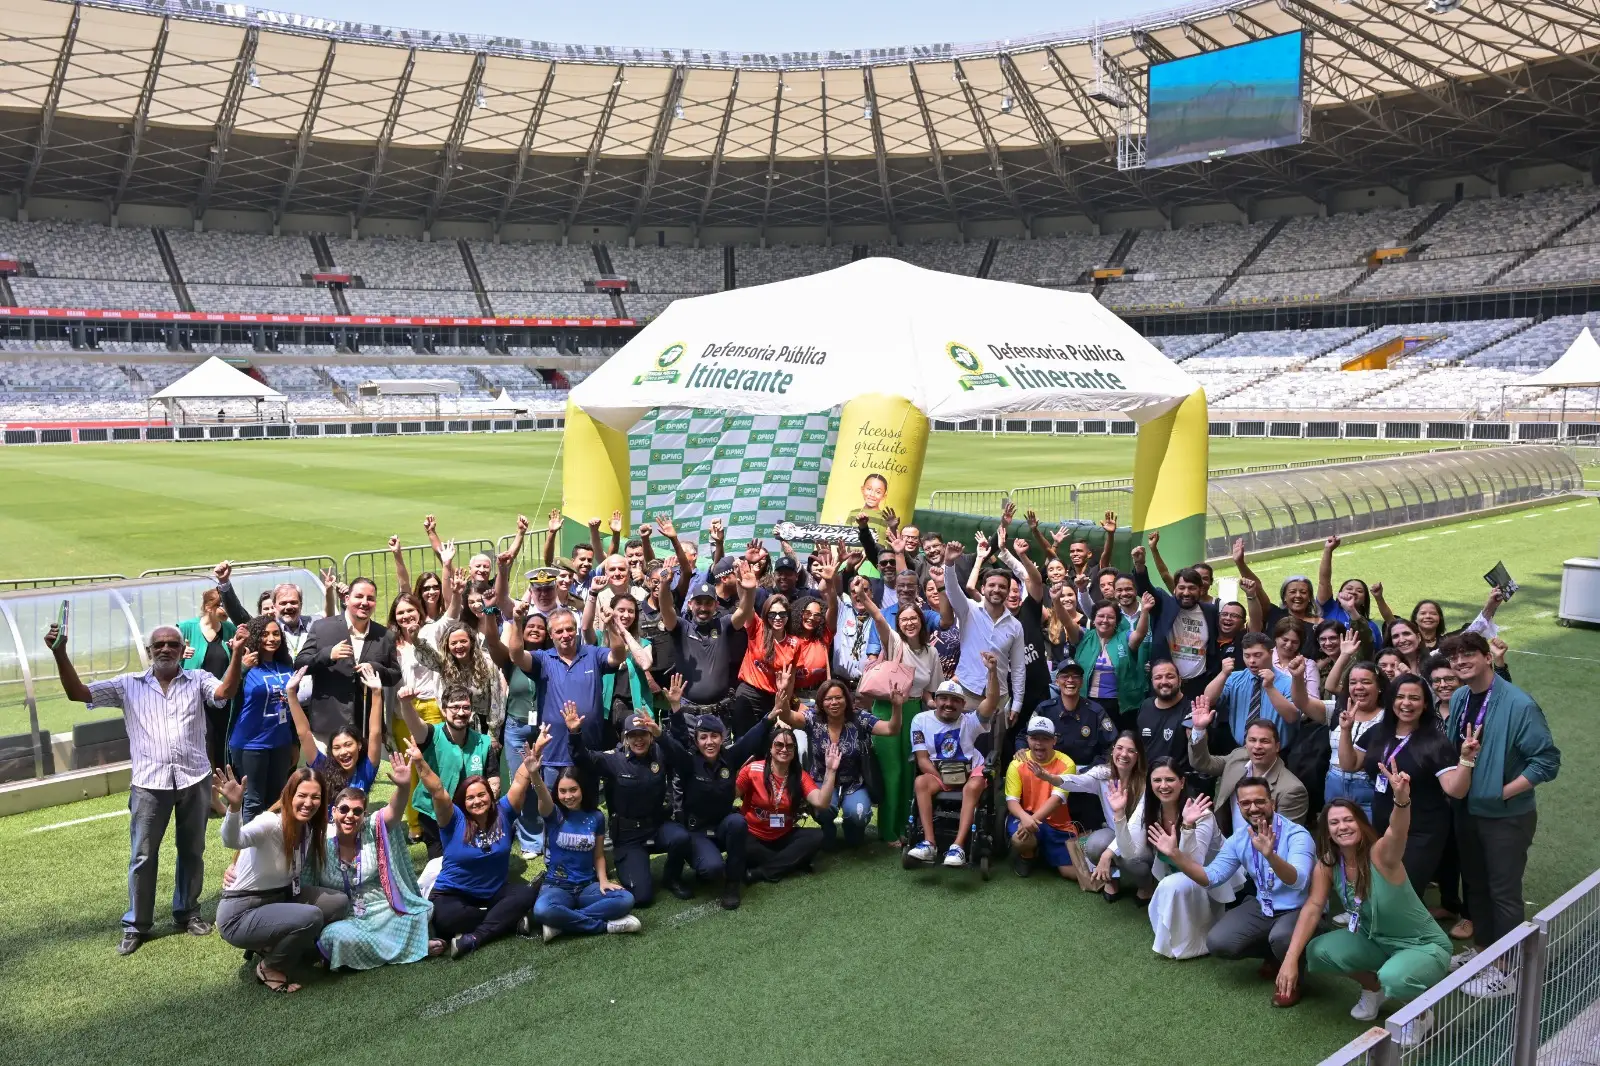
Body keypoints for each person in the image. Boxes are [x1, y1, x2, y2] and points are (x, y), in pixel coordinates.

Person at [45, 620, 242, 955]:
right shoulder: (128, 685)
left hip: (194, 780)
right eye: (159, 645)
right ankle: (136, 924)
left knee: (192, 851)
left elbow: (224, 693)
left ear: (182, 651)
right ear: (150, 652)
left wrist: (236, 655)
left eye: (172, 644)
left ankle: (187, 912)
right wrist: (60, 653)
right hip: (149, 786)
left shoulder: (198, 680)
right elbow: (78, 693)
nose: (165, 649)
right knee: (142, 856)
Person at [1276, 772, 1452, 1046]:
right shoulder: (1327, 864)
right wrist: (1289, 959)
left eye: (1348, 820)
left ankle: (1421, 1016)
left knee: (1395, 976)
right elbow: (1312, 907)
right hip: (1376, 940)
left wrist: (1401, 800)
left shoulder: (1381, 854)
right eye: (1334, 822)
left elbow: (1398, 831)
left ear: (1361, 823)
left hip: (1422, 945)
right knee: (1319, 951)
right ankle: (1373, 990)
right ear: (1327, 830)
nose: (1342, 827)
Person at [1439, 631, 1560, 999]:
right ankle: (1485, 952)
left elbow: (1547, 761)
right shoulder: (1460, 696)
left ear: (1486, 657)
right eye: (1454, 657)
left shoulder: (1520, 705)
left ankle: (1509, 969)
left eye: (1468, 655)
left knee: (1503, 892)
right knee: (1475, 885)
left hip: (1505, 816)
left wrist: (1502, 793)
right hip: (1466, 810)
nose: (1460, 662)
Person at [1152, 778, 1318, 1005]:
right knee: (1219, 942)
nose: (1253, 808)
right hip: (1264, 905)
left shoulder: (1297, 835)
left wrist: (1271, 856)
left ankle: (1293, 978)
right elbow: (1211, 878)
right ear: (1239, 807)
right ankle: (1273, 954)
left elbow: (1298, 881)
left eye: (1260, 801)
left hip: (1299, 909)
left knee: (1281, 938)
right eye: (1246, 803)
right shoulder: (1240, 838)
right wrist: (1176, 856)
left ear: (1273, 803)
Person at [1341, 673, 1471, 931]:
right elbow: (1349, 763)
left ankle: (1416, 943)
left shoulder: (1434, 742)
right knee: (1380, 882)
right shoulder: (1379, 733)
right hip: (1383, 827)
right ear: (1391, 701)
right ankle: (1382, 931)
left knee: (1404, 888)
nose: (1406, 703)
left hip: (1421, 831)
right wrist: (1346, 730)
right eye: (1400, 697)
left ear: (1425, 704)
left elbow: (1455, 790)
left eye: (1414, 698)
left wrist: (1466, 759)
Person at [215, 765, 350, 993]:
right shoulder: (270, 822)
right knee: (311, 916)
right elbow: (233, 840)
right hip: (240, 914)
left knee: (338, 902)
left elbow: (348, 827)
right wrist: (235, 807)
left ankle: (275, 945)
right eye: (302, 795)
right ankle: (269, 966)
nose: (308, 803)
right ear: (289, 795)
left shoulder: (308, 828)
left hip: (279, 899)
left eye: (315, 797)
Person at [413, 731, 544, 959]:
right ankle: (508, 921)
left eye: (482, 795)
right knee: (445, 919)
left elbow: (521, 781)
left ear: (490, 796)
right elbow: (437, 790)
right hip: (454, 895)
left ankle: (474, 938)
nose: (477, 801)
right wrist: (420, 762)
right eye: (470, 798)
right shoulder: (452, 820)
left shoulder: (503, 811)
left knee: (525, 894)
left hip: (494, 892)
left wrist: (537, 751)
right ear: (463, 802)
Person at [658, 675, 777, 909]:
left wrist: (771, 715)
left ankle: (732, 885)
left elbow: (752, 738)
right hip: (697, 832)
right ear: (697, 740)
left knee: (737, 822)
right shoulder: (688, 762)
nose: (709, 742)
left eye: (714, 736)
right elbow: (673, 747)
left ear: (722, 738)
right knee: (712, 869)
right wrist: (669, 717)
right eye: (703, 737)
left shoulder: (729, 758)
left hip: (723, 827)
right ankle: (686, 869)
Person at [313, 753, 435, 969]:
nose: (350, 815)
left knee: (422, 912)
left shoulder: (371, 828)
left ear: (364, 815)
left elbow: (394, 812)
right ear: (334, 812)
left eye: (357, 811)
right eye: (344, 810)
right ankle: (416, 946)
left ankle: (380, 950)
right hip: (347, 918)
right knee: (335, 936)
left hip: (383, 912)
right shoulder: (321, 845)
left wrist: (403, 787)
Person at [567, 701, 689, 907]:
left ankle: (672, 878)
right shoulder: (614, 760)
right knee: (642, 897)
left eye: (643, 734)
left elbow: (682, 757)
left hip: (656, 826)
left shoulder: (660, 752)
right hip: (628, 836)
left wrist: (662, 735)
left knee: (682, 838)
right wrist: (575, 733)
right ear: (625, 738)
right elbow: (583, 758)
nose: (638, 740)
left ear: (650, 736)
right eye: (632, 735)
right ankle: (631, 866)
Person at [777, 673, 903, 848]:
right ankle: (827, 828)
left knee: (857, 817)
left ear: (847, 699)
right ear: (821, 702)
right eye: (828, 699)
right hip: (822, 780)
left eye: (838, 697)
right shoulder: (813, 719)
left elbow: (891, 729)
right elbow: (786, 716)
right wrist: (783, 690)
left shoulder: (860, 718)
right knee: (823, 809)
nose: (834, 703)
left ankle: (853, 829)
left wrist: (897, 707)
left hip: (854, 783)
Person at [1117, 765, 1225, 958]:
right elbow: (1129, 853)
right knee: (1170, 885)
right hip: (1174, 875)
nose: (1163, 786)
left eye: (1170, 780)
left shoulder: (1201, 814)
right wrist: (1119, 815)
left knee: (1170, 885)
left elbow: (1195, 864)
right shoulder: (1151, 810)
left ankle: (1194, 942)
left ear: (1182, 782)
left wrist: (1187, 826)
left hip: (1209, 878)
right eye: (1157, 780)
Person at [864, 591, 943, 845]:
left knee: (910, 772)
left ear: (922, 621)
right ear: (899, 624)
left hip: (914, 713)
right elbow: (878, 619)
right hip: (887, 708)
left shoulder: (932, 653)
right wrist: (866, 599)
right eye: (904, 619)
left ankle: (904, 827)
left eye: (914, 618)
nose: (909, 623)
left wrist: (939, 708)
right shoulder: (896, 643)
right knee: (893, 772)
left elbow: (930, 693)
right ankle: (887, 830)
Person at [906, 656, 1001, 867]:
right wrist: (944, 779)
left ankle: (958, 847)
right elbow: (922, 759)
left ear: (962, 704)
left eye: (955, 700)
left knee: (975, 785)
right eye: (944, 699)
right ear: (936, 700)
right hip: (937, 773)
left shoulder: (970, 721)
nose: (949, 704)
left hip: (969, 771)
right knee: (920, 782)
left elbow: (992, 701)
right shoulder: (920, 721)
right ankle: (929, 844)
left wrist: (992, 672)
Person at [1033, 731, 1147, 901]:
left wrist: (1107, 855)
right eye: (1120, 748)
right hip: (1113, 830)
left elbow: (1135, 827)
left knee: (1129, 858)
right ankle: (1112, 880)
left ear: (1139, 756)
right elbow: (1077, 782)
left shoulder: (1146, 783)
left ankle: (1146, 885)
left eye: (1131, 751)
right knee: (1093, 846)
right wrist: (1050, 778)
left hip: (1139, 839)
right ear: (1113, 750)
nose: (1124, 754)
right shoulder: (1103, 774)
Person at [531, 765, 641, 940]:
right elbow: (542, 796)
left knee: (626, 899)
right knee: (542, 909)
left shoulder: (596, 817)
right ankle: (605, 926)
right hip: (557, 886)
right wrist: (534, 774)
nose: (568, 796)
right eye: (562, 791)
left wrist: (603, 881)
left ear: (582, 789)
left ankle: (562, 923)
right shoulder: (554, 814)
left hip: (586, 887)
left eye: (573, 790)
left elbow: (598, 855)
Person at [294, 576, 399, 742]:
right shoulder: (322, 628)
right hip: (328, 726)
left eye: (370, 599)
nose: (364, 602)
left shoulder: (385, 635)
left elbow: (394, 675)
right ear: (347, 599)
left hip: (366, 727)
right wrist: (327, 655)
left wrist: (375, 668)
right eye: (359, 597)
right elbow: (300, 664)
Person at [397, 685, 495, 859]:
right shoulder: (431, 734)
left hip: (471, 815)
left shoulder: (484, 742)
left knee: (471, 862)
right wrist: (405, 704)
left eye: (466, 707)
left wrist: (484, 811)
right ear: (443, 710)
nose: (461, 712)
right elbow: (415, 724)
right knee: (440, 866)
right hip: (433, 816)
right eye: (455, 707)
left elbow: (493, 780)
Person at [226, 616, 305, 823]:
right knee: (253, 800)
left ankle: (273, 847)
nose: (271, 638)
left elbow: (291, 707)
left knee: (278, 798)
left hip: (280, 743)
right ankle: (247, 852)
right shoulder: (245, 665)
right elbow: (224, 691)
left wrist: (294, 743)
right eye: (265, 634)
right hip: (251, 745)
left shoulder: (286, 665)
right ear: (255, 638)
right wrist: (241, 667)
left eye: (276, 633)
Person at [938, 541, 1026, 724]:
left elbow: (1018, 667)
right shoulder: (968, 609)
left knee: (995, 750)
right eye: (992, 585)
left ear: (1008, 591)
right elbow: (952, 590)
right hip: (967, 693)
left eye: (1002, 587)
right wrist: (949, 563)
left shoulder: (1015, 626)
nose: (996, 590)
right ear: (983, 589)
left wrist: (1017, 703)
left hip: (999, 698)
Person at [1188, 699, 1310, 831]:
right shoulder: (1238, 757)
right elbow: (1202, 763)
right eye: (1252, 740)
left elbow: (1286, 837)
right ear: (1246, 743)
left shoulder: (1292, 790)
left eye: (1264, 741)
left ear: (1277, 747)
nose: (1257, 746)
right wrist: (1199, 729)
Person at [1050, 589, 1152, 729]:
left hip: (1119, 706)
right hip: (1087, 702)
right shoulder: (1083, 637)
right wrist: (1056, 600)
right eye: (1100, 616)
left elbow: (1140, 633)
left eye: (1110, 617)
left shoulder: (1125, 637)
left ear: (1117, 620)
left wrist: (1145, 611)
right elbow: (1067, 622)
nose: (1105, 620)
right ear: (1093, 619)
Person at [1132, 542, 1222, 699]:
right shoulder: (1164, 604)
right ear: (1175, 589)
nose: (1186, 592)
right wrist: (1140, 566)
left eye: (1192, 588)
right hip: (1165, 685)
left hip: (1198, 685)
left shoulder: (1211, 611)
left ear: (1201, 590)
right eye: (1182, 588)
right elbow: (1144, 588)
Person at [283, 665, 383, 807]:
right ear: (331, 751)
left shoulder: (366, 770)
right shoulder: (322, 767)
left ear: (359, 746)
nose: (343, 751)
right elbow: (304, 734)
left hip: (354, 827)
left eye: (348, 745)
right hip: (326, 829)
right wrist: (291, 693)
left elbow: (375, 732)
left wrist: (377, 692)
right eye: (337, 747)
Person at [657, 576, 741, 739]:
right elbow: (666, 609)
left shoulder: (724, 625)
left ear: (716, 605)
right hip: (687, 716)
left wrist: (748, 588)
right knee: (685, 760)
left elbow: (744, 611)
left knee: (719, 763)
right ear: (690, 605)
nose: (703, 608)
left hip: (719, 715)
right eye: (698, 603)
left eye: (708, 603)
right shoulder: (681, 627)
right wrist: (665, 585)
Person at [1203, 632, 1312, 750]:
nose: (1251, 661)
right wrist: (1223, 674)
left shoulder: (1288, 682)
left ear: (1271, 653)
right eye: (1247, 655)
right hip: (1241, 750)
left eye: (1257, 655)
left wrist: (1270, 688)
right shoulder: (1234, 678)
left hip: (1278, 753)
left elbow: (1292, 717)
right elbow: (1208, 700)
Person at [1004, 716, 1078, 878]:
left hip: (1057, 823)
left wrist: (1033, 820)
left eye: (1045, 739)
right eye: (1034, 738)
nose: (1039, 743)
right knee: (1020, 838)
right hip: (1026, 815)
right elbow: (1012, 801)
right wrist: (1026, 818)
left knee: (1069, 873)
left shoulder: (1067, 763)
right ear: (1028, 739)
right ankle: (1028, 855)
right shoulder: (1017, 763)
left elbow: (1057, 799)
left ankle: (1044, 850)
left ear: (1054, 740)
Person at [176, 585, 239, 770]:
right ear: (208, 607)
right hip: (194, 702)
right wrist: (180, 656)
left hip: (223, 699)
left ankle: (226, 792)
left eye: (227, 605)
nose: (225, 610)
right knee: (199, 749)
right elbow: (162, 661)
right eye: (221, 605)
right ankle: (204, 793)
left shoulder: (230, 629)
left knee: (223, 748)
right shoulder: (185, 628)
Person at [1328, 662, 1386, 818]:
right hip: (1335, 787)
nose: (1358, 687)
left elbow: (1353, 765)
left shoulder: (1390, 719)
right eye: (1353, 683)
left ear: (1379, 687)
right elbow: (1302, 702)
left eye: (1366, 682)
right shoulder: (1339, 710)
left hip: (1370, 788)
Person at [1135, 660, 1192, 777]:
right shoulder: (1145, 705)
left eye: (1170, 677)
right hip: (1147, 779)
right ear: (1152, 682)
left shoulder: (1191, 709)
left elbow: (1198, 748)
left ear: (1179, 680)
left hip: (1177, 780)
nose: (1164, 682)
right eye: (1158, 677)